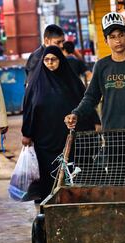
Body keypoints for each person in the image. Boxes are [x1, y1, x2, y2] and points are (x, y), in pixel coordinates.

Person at [64, 12, 125, 186]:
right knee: (116, 182)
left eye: (121, 35)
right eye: (112, 37)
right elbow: (91, 97)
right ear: (106, 40)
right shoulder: (102, 66)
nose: (117, 40)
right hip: (113, 138)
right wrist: (76, 114)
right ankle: (121, 213)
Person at [21, 46, 100, 202]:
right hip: (45, 141)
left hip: (70, 138)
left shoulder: (71, 81)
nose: (50, 63)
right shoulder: (36, 83)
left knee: (72, 173)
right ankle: (50, 209)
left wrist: (95, 120)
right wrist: (27, 133)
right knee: (49, 175)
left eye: (54, 59)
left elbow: (85, 100)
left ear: (60, 60)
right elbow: (29, 108)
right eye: (47, 60)